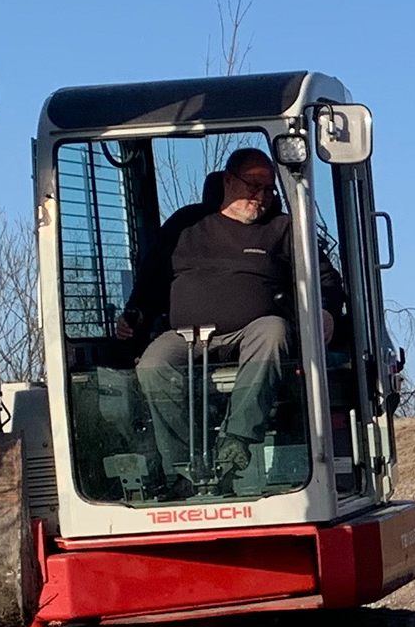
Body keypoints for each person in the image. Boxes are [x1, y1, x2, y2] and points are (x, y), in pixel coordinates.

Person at [127, 148, 337, 487]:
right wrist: (135, 314)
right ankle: (182, 467)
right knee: (153, 363)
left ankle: (235, 444)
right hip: (186, 336)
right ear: (228, 180)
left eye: (269, 189)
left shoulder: (284, 229)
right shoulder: (186, 225)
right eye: (254, 185)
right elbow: (151, 280)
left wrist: (326, 309)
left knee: (273, 331)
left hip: (250, 333)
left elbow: (326, 280)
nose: (262, 196)